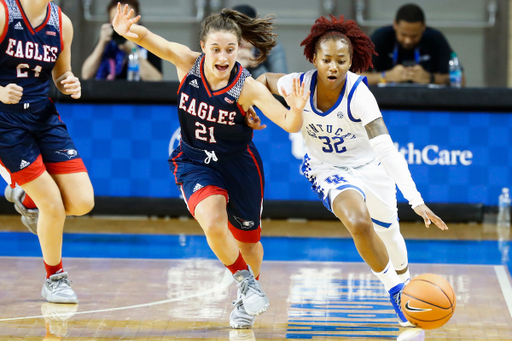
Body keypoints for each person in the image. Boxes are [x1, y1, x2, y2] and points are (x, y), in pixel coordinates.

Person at [112, 4, 308, 329]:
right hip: (194, 161)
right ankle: (246, 284)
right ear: (203, 47)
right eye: (215, 49)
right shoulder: (187, 63)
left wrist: (298, 108)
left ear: (239, 49)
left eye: (230, 49)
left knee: (249, 242)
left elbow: (289, 124)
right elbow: (148, 38)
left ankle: (247, 293)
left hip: (239, 166)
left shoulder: (247, 87)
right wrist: (125, 30)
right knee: (212, 220)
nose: (222, 57)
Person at [255, 14, 448, 326]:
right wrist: (254, 108)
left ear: (351, 61)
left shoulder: (360, 95)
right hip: (326, 167)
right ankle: (396, 292)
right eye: (327, 59)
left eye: (341, 60)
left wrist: (415, 200)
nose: (333, 67)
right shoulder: (298, 83)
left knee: (390, 235)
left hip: (370, 168)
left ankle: (406, 282)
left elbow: (386, 149)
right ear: (313, 58)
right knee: (358, 222)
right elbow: (262, 81)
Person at [0, 0, 94, 303]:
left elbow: (60, 74)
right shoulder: (3, 13)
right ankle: (55, 278)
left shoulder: (61, 22)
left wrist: (68, 83)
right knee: (52, 204)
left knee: (82, 202)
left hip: (43, 117)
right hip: (6, 123)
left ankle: (27, 197)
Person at [361, 3, 465, 86]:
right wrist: (386, 76)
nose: (408, 40)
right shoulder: (381, 37)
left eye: (414, 36)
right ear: (395, 25)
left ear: (423, 27)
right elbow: (354, 77)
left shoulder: (435, 38)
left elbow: (460, 80)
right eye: (403, 34)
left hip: (428, 101)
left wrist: (430, 78)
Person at [81, 0, 162, 81]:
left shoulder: (149, 44)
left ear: (136, 21)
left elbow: (156, 79)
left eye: (127, 18)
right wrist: (101, 43)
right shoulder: (106, 44)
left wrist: (134, 51)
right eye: (116, 20)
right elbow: (86, 75)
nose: (122, 25)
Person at [232, 4, 288, 79]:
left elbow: (281, 83)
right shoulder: (222, 46)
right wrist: (233, 70)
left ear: (255, 31)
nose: (240, 39)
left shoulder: (269, 45)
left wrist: (255, 65)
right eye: (235, 33)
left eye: (245, 33)